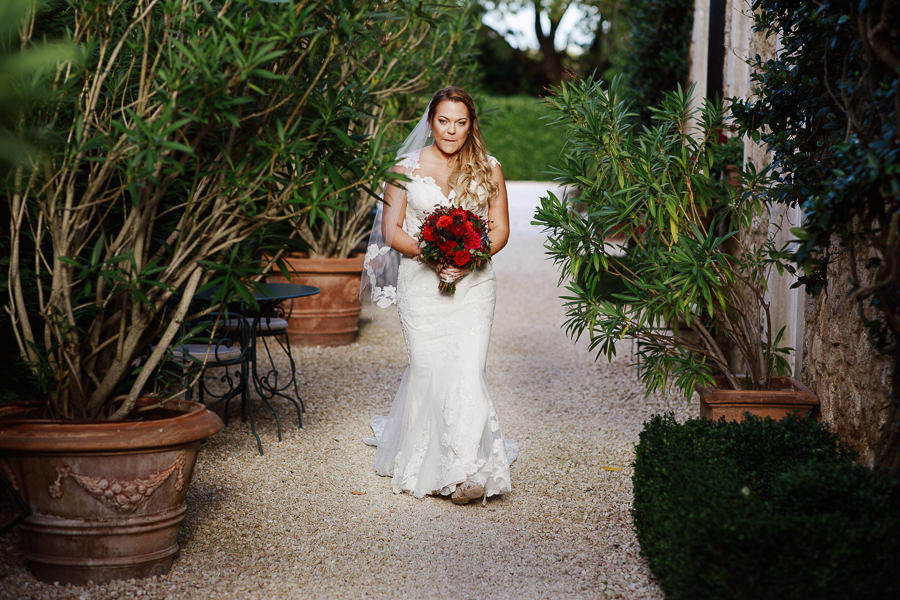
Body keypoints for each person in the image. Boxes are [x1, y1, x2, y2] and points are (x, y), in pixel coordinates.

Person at [361, 86, 518, 505]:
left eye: (461, 122)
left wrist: (470, 257)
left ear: (471, 125)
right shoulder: (405, 167)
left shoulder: (488, 168)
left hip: (475, 286)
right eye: (444, 121)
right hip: (421, 284)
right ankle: (428, 461)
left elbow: (500, 229)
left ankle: (464, 471)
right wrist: (432, 254)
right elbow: (392, 231)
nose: (452, 130)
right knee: (429, 370)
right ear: (430, 121)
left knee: (467, 369)